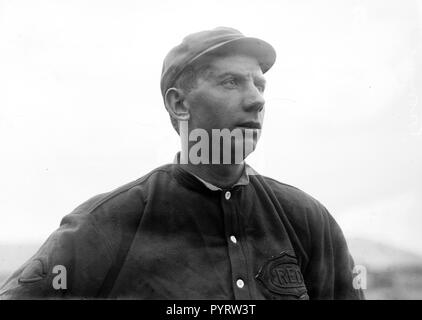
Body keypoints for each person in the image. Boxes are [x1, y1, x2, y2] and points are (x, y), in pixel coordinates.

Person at [0, 27, 364, 300]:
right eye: (231, 82)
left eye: (260, 85)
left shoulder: (307, 220)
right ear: (179, 104)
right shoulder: (107, 222)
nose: (256, 100)